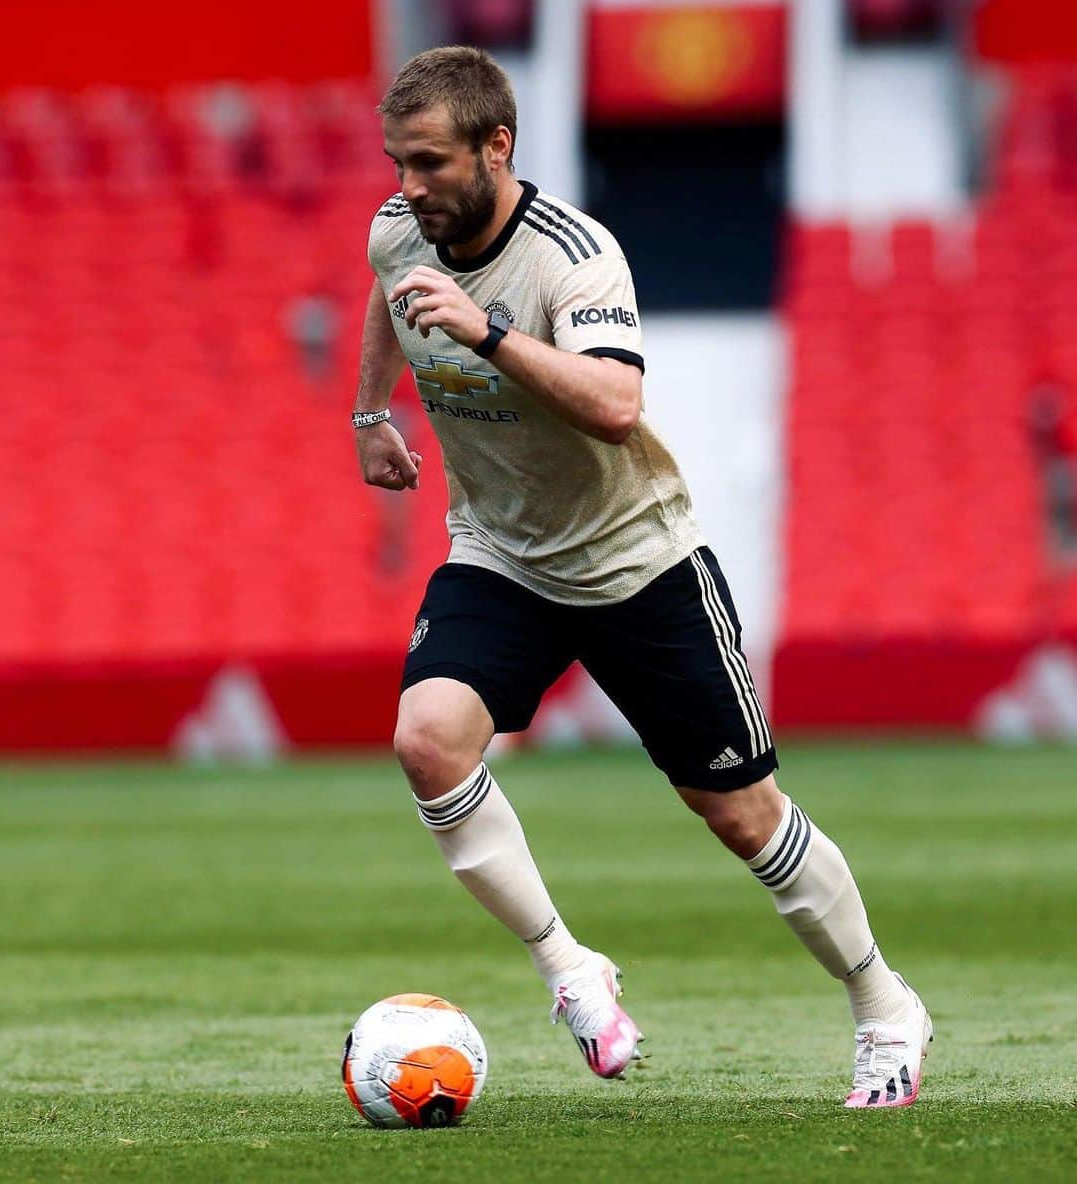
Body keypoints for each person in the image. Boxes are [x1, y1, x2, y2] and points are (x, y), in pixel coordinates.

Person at [352, 45, 932, 1108]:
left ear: (497, 147)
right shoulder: (403, 230)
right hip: (501, 551)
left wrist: (485, 331)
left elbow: (616, 405)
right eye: (397, 162)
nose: (408, 186)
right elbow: (391, 296)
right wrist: (370, 413)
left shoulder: (576, 256)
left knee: (743, 814)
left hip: (636, 559)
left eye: (429, 162)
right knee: (426, 740)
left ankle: (884, 1002)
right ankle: (572, 969)